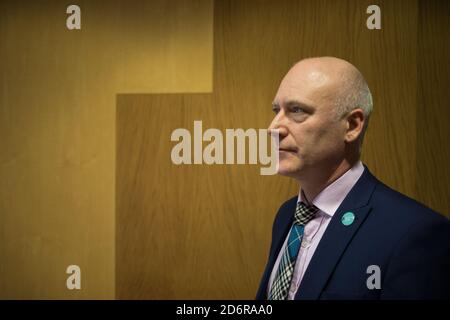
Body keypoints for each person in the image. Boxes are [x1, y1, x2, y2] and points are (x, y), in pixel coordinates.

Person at [256, 57, 450, 300]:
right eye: (277, 110)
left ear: (352, 125)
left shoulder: (415, 233)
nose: (274, 127)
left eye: (297, 110)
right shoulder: (287, 215)